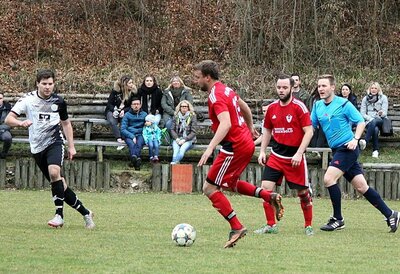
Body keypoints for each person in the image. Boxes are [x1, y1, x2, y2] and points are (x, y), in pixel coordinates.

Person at [193, 60, 284, 248]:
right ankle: (269, 196)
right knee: (230, 183)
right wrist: (250, 127)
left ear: (207, 77)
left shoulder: (215, 96)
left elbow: (225, 123)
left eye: (197, 77)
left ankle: (236, 227)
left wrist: (210, 147)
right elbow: (245, 107)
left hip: (233, 146)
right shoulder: (226, 90)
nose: (196, 81)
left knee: (209, 189)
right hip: (244, 142)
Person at [5, 69, 95, 229]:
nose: (47, 87)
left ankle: (59, 216)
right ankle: (86, 213)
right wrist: (20, 123)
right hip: (37, 148)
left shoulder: (59, 102)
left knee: (55, 173)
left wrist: (71, 146)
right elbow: (9, 119)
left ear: (54, 84)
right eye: (44, 84)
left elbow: (66, 124)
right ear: (37, 84)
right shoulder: (27, 99)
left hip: (55, 142)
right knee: (61, 185)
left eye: (50, 84)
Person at [311, 74, 399, 233]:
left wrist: (356, 139)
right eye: (319, 86)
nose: (321, 89)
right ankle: (390, 214)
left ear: (332, 87)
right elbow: (311, 127)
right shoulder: (317, 106)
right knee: (361, 187)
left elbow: (360, 121)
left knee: (328, 178)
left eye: (324, 86)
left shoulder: (343, 104)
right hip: (337, 150)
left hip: (348, 148)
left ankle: (338, 219)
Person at [256, 74, 314, 236]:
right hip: (276, 155)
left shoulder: (299, 107)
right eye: (279, 88)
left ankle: (308, 226)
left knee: (303, 193)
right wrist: (262, 151)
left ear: (291, 88)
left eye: (285, 88)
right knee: (265, 190)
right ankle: (270, 225)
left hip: (294, 156)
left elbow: (309, 131)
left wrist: (299, 153)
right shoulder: (272, 108)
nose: (281, 91)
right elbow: (267, 130)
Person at [105, 75, 137, 150]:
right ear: (124, 84)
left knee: (125, 120)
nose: (132, 84)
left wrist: (124, 111)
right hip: (113, 111)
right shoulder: (115, 91)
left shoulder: (133, 92)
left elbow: (133, 105)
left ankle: (124, 138)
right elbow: (109, 104)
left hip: (125, 111)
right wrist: (114, 110)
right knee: (112, 120)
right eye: (129, 83)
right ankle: (119, 139)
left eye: (132, 82)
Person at [360, 82, 389, 158]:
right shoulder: (365, 99)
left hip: (380, 120)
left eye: (375, 88)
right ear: (369, 89)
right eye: (372, 88)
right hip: (369, 121)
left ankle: (365, 141)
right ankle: (375, 150)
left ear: (378, 89)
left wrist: (381, 113)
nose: (373, 90)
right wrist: (370, 119)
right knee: (375, 130)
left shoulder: (383, 98)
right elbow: (362, 114)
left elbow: (385, 113)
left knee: (375, 122)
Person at [121, 97, 147, 170]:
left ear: (140, 105)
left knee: (139, 144)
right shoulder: (127, 115)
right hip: (129, 134)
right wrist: (132, 136)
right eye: (134, 104)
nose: (136, 106)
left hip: (141, 134)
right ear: (131, 106)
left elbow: (147, 127)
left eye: (138, 104)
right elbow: (123, 129)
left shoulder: (145, 114)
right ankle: (137, 160)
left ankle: (133, 161)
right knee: (132, 144)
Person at [170, 100, 197, 164]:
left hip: (188, 140)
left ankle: (172, 165)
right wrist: (176, 138)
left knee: (181, 151)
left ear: (188, 108)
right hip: (177, 139)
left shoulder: (192, 116)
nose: (184, 108)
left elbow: (193, 132)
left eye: (185, 106)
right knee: (175, 153)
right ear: (180, 107)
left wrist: (184, 140)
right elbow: (172, 129)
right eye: (182, 106)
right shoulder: (176, 116)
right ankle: (175, 165)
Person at [0, 92, 12, 159]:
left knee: (8, 138)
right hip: (2, 129)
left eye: (0, 98)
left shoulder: (8, 108)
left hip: (4, 130)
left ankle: (3, 154)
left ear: (3, 99)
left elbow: (9, 123)